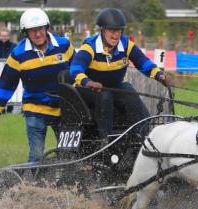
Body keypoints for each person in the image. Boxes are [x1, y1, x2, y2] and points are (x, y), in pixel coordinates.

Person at [0, 8, 75, 162]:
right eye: (32, 30)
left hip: (64, 110)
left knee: (69, 155)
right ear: (25, 32)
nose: (37, 34)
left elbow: (79, 71)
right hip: (35, 110)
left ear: (46, 27)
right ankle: (32, 186)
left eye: (40, 29)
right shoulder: (18, 54)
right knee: (37, 156)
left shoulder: (64, 45)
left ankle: (64, 185)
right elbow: (6, 85)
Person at [69, 8, 171, 139]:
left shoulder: (126, 45)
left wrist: (160, 76)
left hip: (112, 87)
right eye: (111, 30)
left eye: (119, 30)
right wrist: (88, 82)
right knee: (104, 95)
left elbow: (143, 63)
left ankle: (142, 136)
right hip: (88, 89)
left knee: (128, 89)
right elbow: (75, 69)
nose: (115, 35)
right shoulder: (90, 47)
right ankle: (106, 140)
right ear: (102, 30)